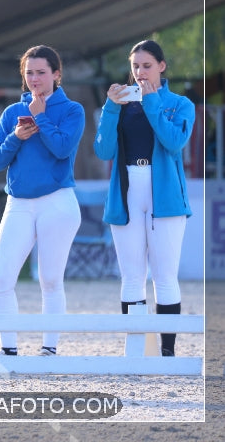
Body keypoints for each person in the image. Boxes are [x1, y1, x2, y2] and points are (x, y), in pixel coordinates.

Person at [93, 39, 194, 356]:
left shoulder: (180, 104)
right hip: (126, 193)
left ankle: (167, 352)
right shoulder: (121, 104)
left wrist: (150, 103)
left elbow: (174, 142)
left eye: (147, 66)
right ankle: (135, 350)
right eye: (135, 66)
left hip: (165, 195)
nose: (139, 72)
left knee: (164, 276)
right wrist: (111, 108)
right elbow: (103, 150)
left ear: (162, 67)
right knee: (132, 276)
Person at [0, 45, 85, 356]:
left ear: (57, 74)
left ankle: (49, 349)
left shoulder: (72, 110)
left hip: (57, 202)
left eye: (41, 72)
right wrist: (15, 137)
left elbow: (62, 149)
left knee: (50, 279)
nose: (35, 78)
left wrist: (41, 120)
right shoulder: (11, 113)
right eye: (29, 73)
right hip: (18, 204)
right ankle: (9, 349)